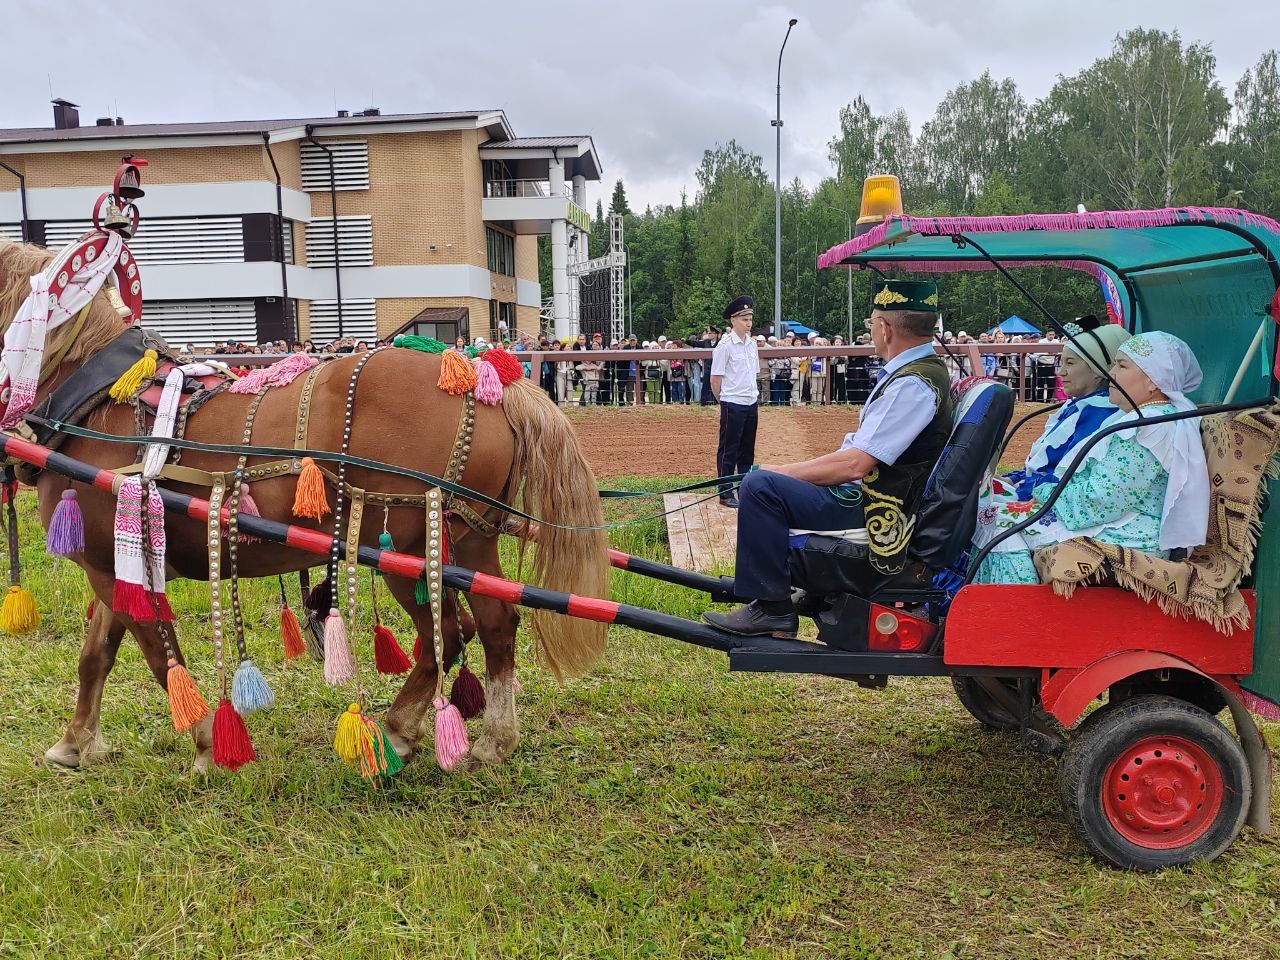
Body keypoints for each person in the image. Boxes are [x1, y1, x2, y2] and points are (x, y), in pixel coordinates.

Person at [703, 280, 953, 636]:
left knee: (760, 487)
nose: (872, 331)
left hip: (874, 507)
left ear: (885, 328)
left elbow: (855, 464)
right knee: (768, 480)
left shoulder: (912, 384)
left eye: (872, 324)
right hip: (876, 496)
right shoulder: (919, 374)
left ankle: (772, 608)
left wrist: (783, 471)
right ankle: (782, 595)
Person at [972, 331, 1208, 584]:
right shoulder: (1143, 420)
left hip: (1128, 534)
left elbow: (1103, 500)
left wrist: (1043, 492)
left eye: (1122, 365)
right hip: (1112, 521)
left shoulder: (1152, 427)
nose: (1111, 373)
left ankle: (1015, 614)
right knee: (992, 515)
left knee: (996, 524)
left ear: (1153, 381)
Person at [1000, 316, 1130, 499]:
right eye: (1062, 363)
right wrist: (1013, 478)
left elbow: (1070, 478)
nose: (1061, 372)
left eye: (1070, 363)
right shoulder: (1081, 405)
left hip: (1050, 500)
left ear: (1098, 368)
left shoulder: (1099, 412)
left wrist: (1019, 484)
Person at [710, 296, 760, 508]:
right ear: (733, 320)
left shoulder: (752, 345)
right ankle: (726, 491)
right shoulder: (725, 346)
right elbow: (715, 379)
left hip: (750, 401)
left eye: (749, 318)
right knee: (729, 449)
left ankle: (744, 489)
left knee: (747, 451)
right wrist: (723, 401)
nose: (748, 323)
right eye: (743, 319)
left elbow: (753, 374)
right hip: (733, 402)